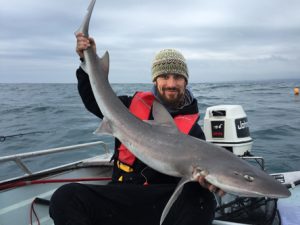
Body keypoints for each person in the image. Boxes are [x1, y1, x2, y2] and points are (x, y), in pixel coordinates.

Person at [49, 33, 225, 225]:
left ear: (186, 81)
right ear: (155, 80)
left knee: (202, 200)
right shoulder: (128, 107)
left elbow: (204, 174)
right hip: (121, 195)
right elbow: (94, 100)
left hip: (160, 204)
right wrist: (86, 59)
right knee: (66, 197)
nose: (171, 84)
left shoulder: (194, 132)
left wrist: (208, 184)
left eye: (178, 77)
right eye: (165, 77)